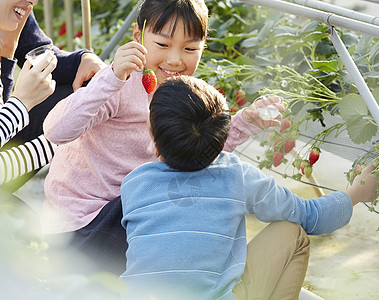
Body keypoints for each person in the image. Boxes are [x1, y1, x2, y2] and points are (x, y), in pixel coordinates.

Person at [42, 0, 283, 275]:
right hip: (81, 226)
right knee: (168, 198)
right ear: (138, 37)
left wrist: (244, 122)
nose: (175, 60)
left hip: (132, 214)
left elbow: (190, 150)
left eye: (190, 48)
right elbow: (56, 130)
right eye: (163, 45)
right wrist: (111, 77)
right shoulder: (119, 85)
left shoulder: (182, 90)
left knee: (193, 183)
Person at [120, 75, 379, 299]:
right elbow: (311, 216)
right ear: (222, 141)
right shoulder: (236, 175)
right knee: (293, 232)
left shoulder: (134, 184)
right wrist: (357, 193)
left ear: (153, 138)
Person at [0, 10, 106, 189]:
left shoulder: (13, 10)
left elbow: (38, 52)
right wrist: (22, 102)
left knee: (81, 95)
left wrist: (81, 60)